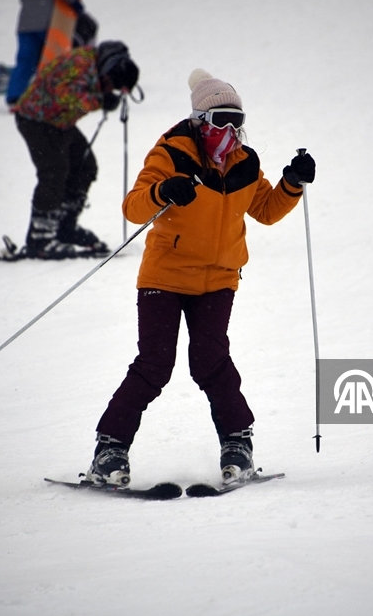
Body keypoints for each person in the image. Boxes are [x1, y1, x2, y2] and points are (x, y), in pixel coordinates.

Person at [85, 69, 317, 487]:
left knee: (211, 363)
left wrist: (292, 182)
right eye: (219, 119)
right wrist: (164, 191)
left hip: (218, 279)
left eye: (237, 120)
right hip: (166, 277)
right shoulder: (171, 153)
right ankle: (109, 451)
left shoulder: (245, 163)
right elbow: (133, 208)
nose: (228, 130)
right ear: (198, 120)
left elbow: (264, 209)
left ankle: (237, 446)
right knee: (154, 365)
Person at [14, 40, 138, 259]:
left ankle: (64, 227)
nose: (110, 89)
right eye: (111, 83)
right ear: (108, 68)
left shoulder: (95, 66)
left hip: (60, 123)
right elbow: (66, 97)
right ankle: (40, 238)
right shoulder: (79, 64)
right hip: (36, 119)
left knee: (85, 166)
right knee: (53, 172)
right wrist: (100, 100)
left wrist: (102, 97)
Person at [6, 0, 98, 107]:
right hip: (48, 22)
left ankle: (15, 97)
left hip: (25, 23)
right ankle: (46, 96)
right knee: (50, 61)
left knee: (25, 60)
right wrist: (76, 5)